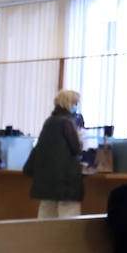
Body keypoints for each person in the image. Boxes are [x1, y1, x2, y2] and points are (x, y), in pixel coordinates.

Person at [24, 89, 85, 219]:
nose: (76, 106)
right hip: (65, 177)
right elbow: (75, 148)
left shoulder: (50, 121)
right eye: (75, 103)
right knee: (68, 212)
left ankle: (45, 239)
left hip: (46, 176)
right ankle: (65, 240)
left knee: (46, 210)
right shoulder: (67, 122)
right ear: (69, 103)